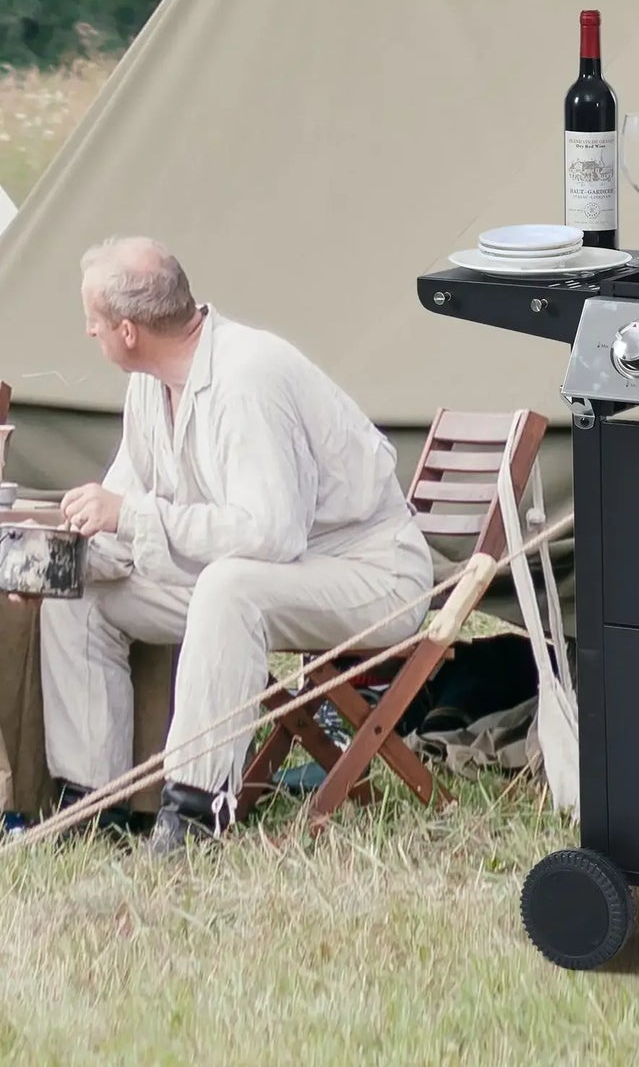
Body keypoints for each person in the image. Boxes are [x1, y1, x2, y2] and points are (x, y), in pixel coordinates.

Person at [40, 238, 433, 853]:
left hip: (366, 575)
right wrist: (84, 537)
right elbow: (127, 507)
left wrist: (136, 517)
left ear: (128, 329)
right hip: (262, 575)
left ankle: (195, 814)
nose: (88, 332)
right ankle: (92, 807)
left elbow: (271, 534)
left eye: (93, 320)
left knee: (230, 587)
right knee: (79, 589)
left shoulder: (247, 379)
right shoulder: (149, 383)